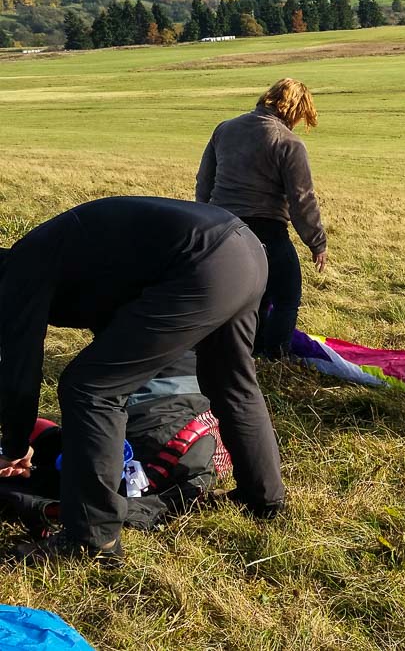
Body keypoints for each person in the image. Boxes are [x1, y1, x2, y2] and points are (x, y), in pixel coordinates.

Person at [0, 197, 286, 567]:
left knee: (90, 388)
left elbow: (20, 374)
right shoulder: (55, 258)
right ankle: (262, 498)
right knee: (231, 382)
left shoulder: (20, 272)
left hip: (203, 260)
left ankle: (91, 539)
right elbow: (120, 314)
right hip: (246, 251)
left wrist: (15, 444)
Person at [196, 77, 327, 359]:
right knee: (287, 295)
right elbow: (301, 199)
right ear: (295, 109)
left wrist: (204, 220)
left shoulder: (225, 129)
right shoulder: (288, 142)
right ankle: (275, 358)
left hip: (222, 226)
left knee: (253, 293)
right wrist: (317, 243)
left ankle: (249, 349)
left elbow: (204, 181)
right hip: (266, 228)